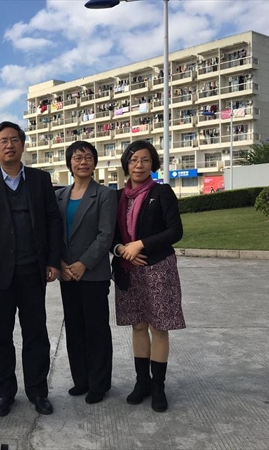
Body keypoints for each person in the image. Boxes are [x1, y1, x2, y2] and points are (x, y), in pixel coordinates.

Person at [0, 121, 61, 417]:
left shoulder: (40, 179)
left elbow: (52, 221)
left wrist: (52, 260)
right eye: (3, 141)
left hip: (33, 271)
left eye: (14, 140)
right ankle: (4, 392)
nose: (9, 145)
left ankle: (38, 391)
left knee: (36, 334)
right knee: (0, 336)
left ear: (22, 145)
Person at [111, 140, 185, 413]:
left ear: (152, 163)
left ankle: (158, 387)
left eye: (144, 160)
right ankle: (142, 382)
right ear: (126, 165)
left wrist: (140, 244)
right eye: (133, 160)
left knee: (159, 328)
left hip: (158, 268)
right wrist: (122, 250)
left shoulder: (161, 192)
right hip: (129, 269)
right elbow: (112, 237)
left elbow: (175, 231)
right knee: (138, 326)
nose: (138, 165)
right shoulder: (117, 197)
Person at [55, 141, 117, 405]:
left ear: (94, 162)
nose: (83, 162)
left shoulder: (105, 195)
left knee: (96, 330)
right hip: (66, 273)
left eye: (88, 157)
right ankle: (80, 379)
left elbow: (106, 235)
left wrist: (83, 263)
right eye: (77, 157)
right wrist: (60, 263)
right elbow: (53, 233)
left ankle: (99, 383)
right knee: (74, 328)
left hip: (93, 274)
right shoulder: (59, 196)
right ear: (69, 163)